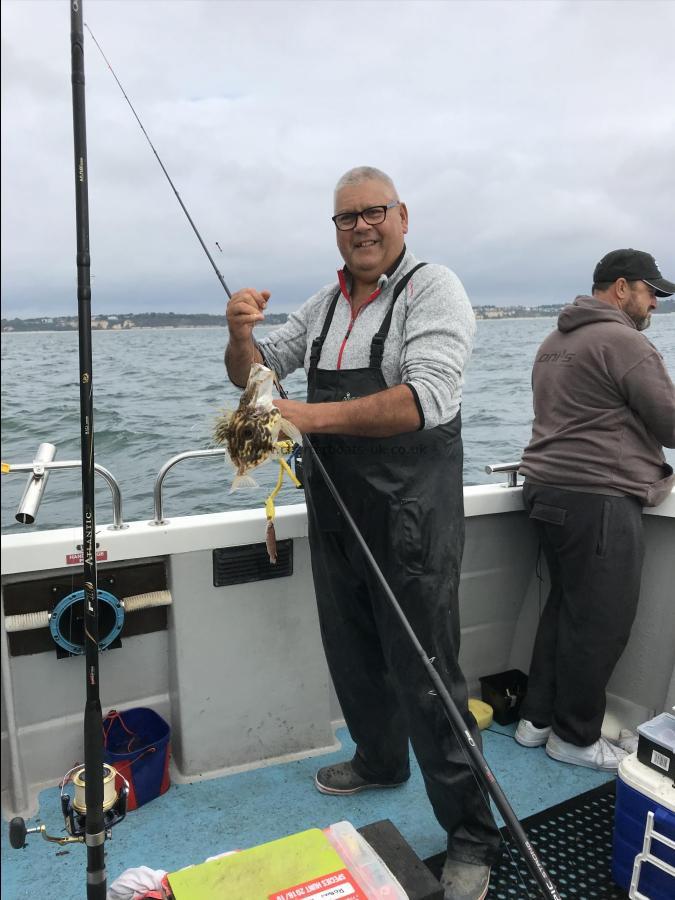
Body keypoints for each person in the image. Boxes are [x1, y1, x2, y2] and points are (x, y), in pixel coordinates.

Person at [225, 166, 500, 900]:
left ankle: (472, 833)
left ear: (402, 216)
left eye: (373, 212)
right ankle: (380, 760)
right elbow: (253, 377)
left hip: (411, 511)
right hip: (335, 506)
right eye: (346, 218)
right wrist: (239, 334)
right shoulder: (321, 303)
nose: (360, 227)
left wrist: (302, 417)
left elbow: (425, 400)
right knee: (349, 647)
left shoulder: (431, 289)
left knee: (425, 670)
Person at [517, 248, 675, 771]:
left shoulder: (555, 340)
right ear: (622, 287)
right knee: (600, 622)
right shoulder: (624, 341)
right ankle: (577, 738)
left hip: (546, 490)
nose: (655, 303)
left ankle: (535, 722)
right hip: (599, 497)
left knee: (565, 609)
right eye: (651, 291)